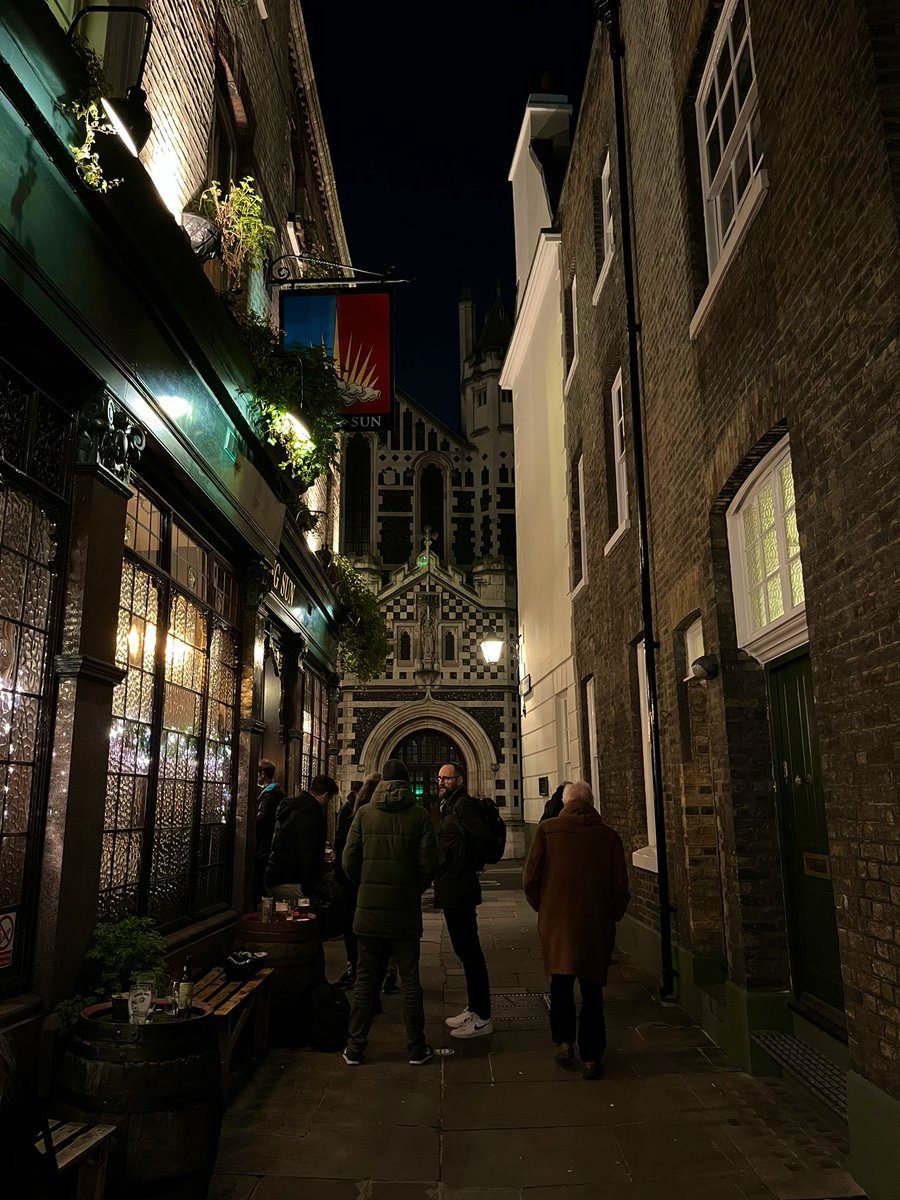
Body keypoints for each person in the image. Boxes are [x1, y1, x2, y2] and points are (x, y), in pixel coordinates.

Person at [522, 780, 630, 1079]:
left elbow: (530, 879)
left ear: (566, 802)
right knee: (593, 992)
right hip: (597, 924)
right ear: (590, 802)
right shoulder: (609, 836)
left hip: (558, 923)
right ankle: (592, 1057)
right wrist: (611, 916)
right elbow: (620, 886)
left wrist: (545, 909)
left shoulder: (547, 831)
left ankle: (564, 1042)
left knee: (560, 984)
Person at [341, 759, 439, 1065]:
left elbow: (349, 860)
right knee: (410, 979)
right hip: (404, 913)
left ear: (383, 781)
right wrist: (412, 890)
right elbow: (428, 866)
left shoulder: (364, 814)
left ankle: (355, 1048)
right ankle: (415, 1048)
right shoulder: (420, 816)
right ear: (407, 783)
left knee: (365, 980)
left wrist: (366, 885)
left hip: (368, 912)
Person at [434, 760, 494, 1039]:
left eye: (447, 778)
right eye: (439, 778)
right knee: (464, 951)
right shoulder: (451, 806)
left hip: (460, 887)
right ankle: (475, 1008)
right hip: (453, 887)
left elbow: (482, 837)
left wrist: (465, 863)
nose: (441, 782)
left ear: (459, 780)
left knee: (470, 952)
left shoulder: (463, 806)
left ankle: (482, 1017)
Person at [333, 773, 380, 990]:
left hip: (355, 887)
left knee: (355, 933)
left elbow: (345, 854)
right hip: (381, 889)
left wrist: (348, 880)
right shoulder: (388, 818)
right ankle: (383, 976)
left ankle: (358, 975)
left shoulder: (355, 816)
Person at [265, 774, 339, 902]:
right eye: (330, 799)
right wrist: (310, 887)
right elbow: (308, 851)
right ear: (325, 796)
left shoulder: (294, 807)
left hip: (276, 875)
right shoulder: (309, 814)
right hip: (293, 881)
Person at [253, 759, 285, 903]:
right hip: (273, 842)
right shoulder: (279, 793)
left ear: (263, 774)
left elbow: (261, 820)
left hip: (264, 844)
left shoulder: (268, 795)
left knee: (261, 882)